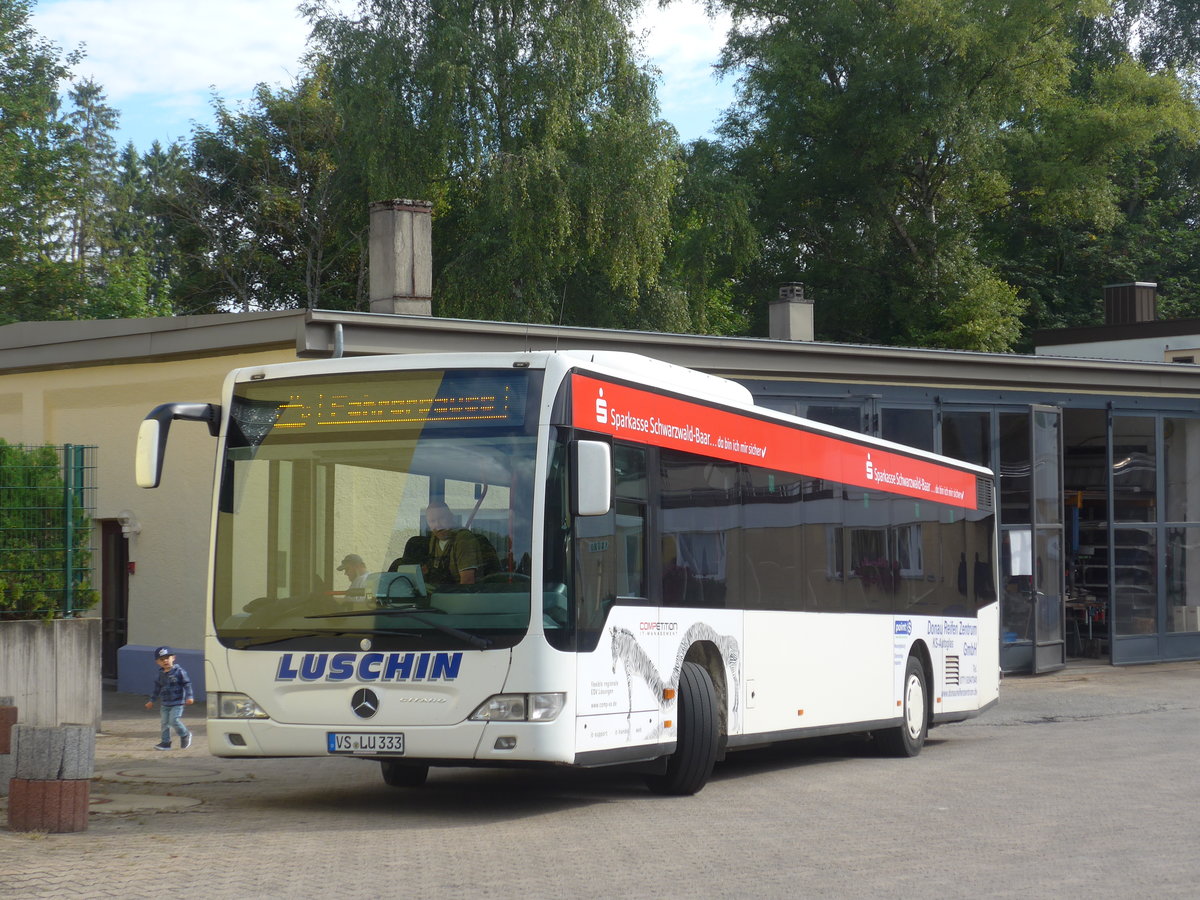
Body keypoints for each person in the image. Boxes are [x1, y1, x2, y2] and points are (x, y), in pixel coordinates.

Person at [145, 646, 194, 750]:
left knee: (173, 720)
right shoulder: (160, 675)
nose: (165, 661)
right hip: (165, 704)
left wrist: (189, 697)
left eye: (168, 658)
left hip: (177, 702)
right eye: (162, 659)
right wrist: (151, 700)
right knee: (164, 723)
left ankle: (185, 734)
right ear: (157, 662)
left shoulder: (179, 671)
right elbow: (156, 689)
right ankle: (165, 743)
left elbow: (187, 684)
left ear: (173, 658)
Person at [424, 501, 483, 585]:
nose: (438, 525)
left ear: (451, 516)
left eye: (441, 518)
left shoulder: (463, 539)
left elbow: (467, 582)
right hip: (440, 593)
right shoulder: (434, 539)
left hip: (462, 595)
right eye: (432, 521)